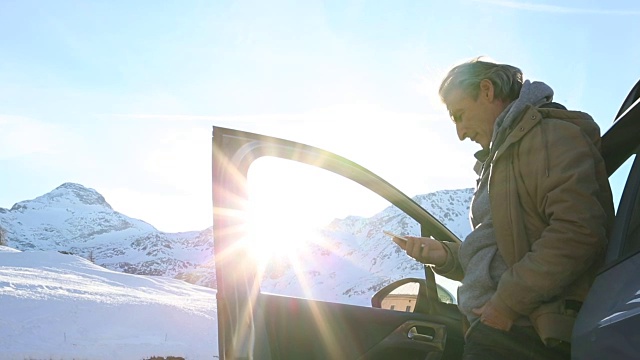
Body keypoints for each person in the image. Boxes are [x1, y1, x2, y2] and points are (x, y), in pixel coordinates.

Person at [392, 58, 614, 360]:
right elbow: (505, 251)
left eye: (460, 115)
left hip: (524, 333)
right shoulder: (503, 156)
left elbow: (578, 232)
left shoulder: (550, 136)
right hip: (500, 329)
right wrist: (446, 257)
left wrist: (506, 304)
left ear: (486, 91)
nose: (460, 133)